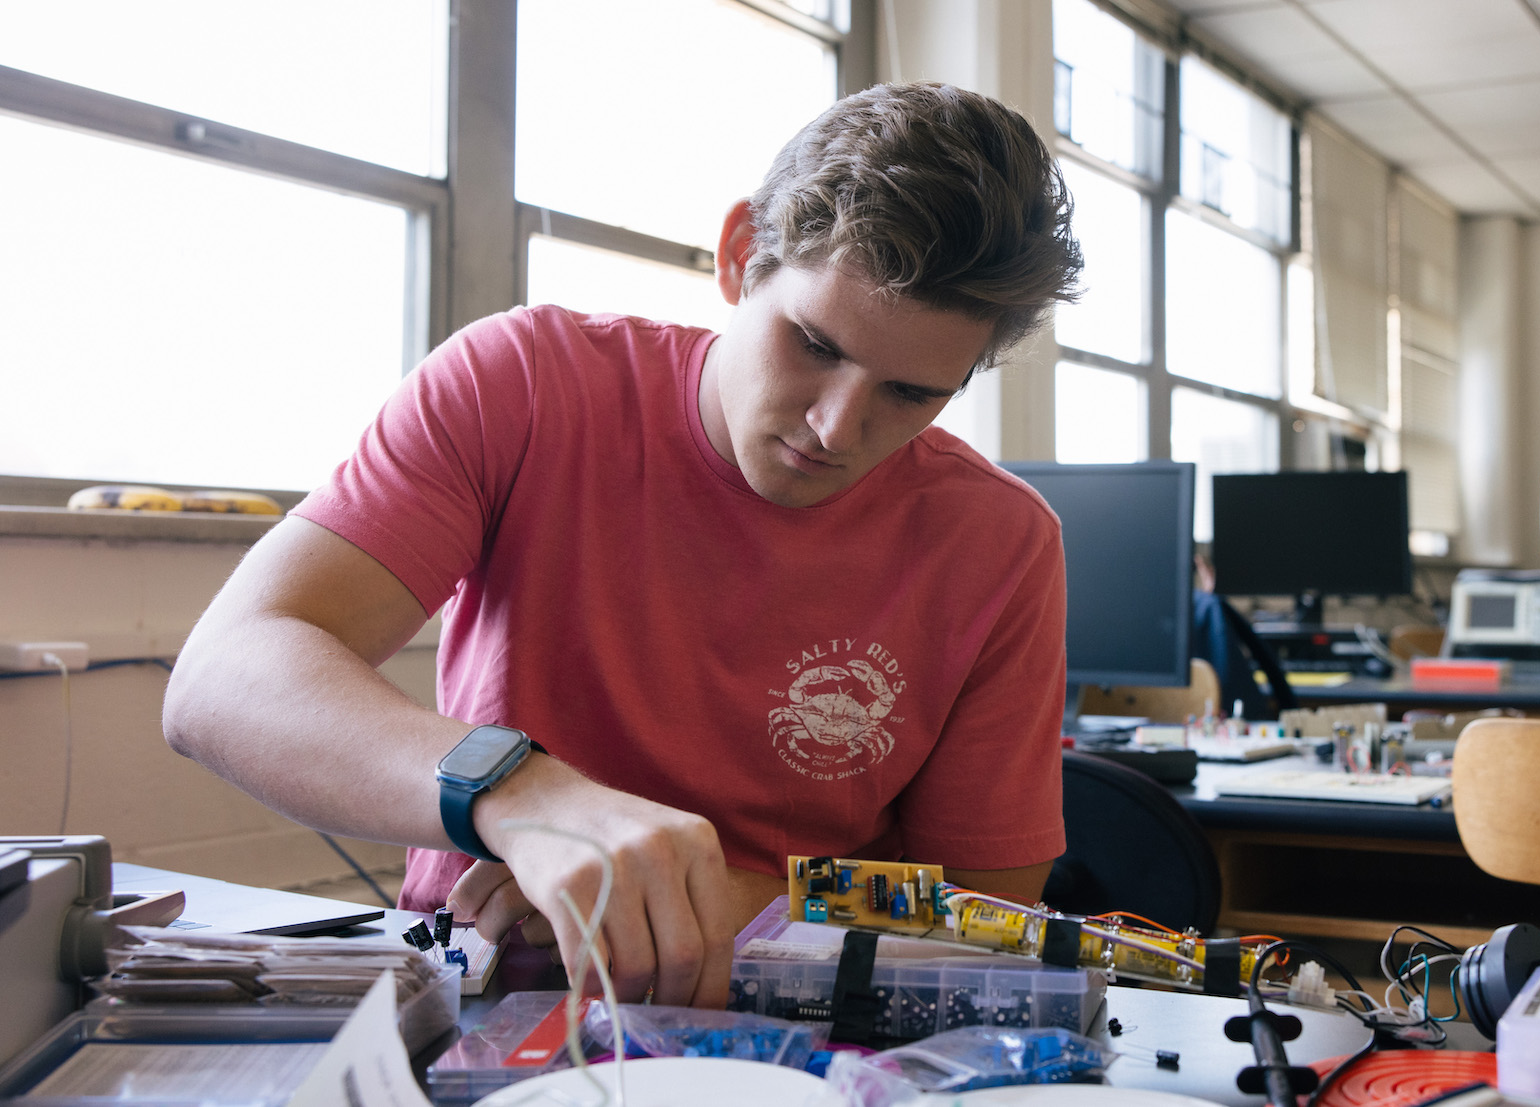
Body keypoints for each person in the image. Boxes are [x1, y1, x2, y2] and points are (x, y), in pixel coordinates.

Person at [161, 83, 1085, 1010]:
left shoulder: (998, 544)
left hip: (778, 1026)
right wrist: (523, 796)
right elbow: (222, 679)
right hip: (481, 991)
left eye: (911, 394)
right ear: (739, 257)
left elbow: (982, 919)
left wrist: (736, 905)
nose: (836, 427)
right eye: (812, 343)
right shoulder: (523, 386)